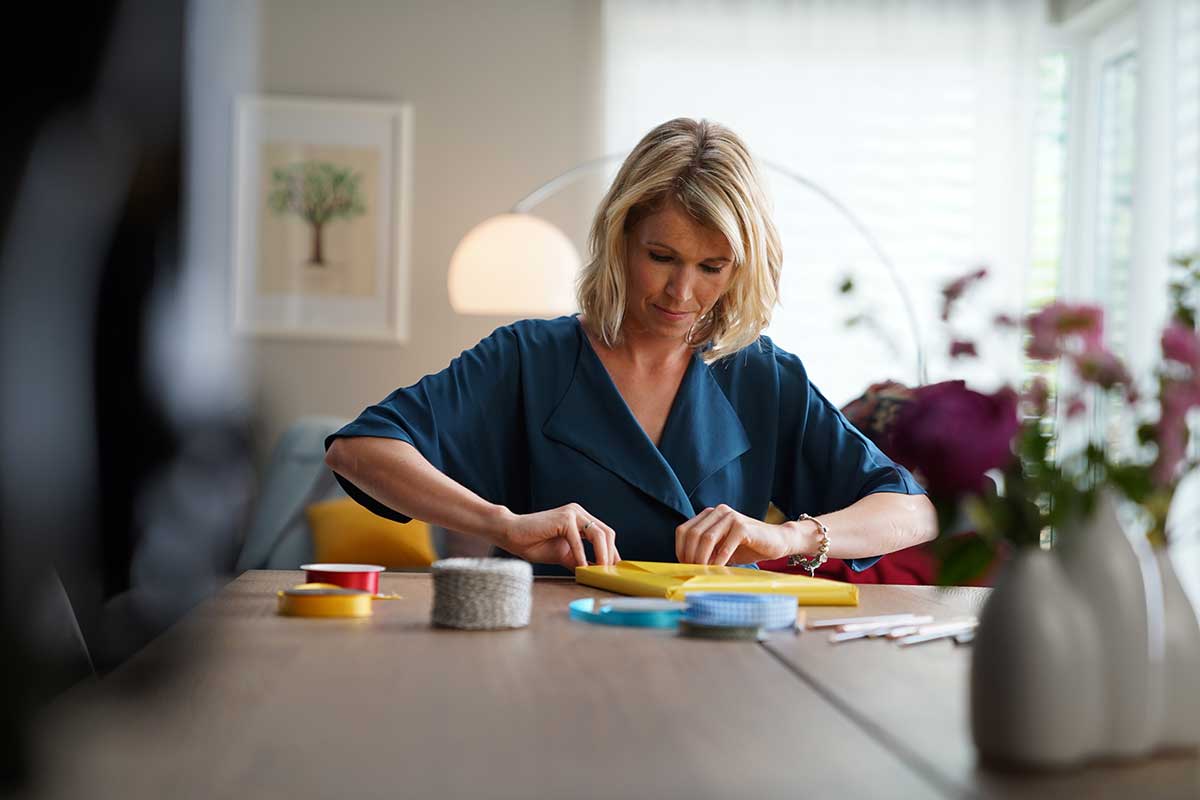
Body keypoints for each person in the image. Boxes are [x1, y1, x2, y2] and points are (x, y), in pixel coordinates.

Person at [324, 118, 937, 574]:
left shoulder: (763, 376)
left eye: (712, 267)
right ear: (621, 240)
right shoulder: (529, 358)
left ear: (742, 268)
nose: (682, 291)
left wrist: (789, 538)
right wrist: (502, 525)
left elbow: (913, 512)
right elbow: (359, 451)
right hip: (553, 662)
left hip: (723, 668)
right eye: (661, 257)